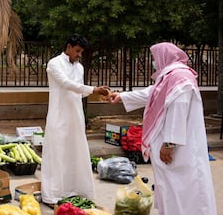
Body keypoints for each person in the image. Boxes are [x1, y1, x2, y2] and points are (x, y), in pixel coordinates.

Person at [109, 42, 217, 215]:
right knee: (171, 189)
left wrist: (169, 144)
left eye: (154, 58)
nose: (154, 62)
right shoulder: (170, 77)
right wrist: (121, 96)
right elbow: (152, 93)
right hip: (172, 148)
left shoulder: (180, 79)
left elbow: (178, 111)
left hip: (179, 149)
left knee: (184, 189)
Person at [41, 34, 109, 206]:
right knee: (57, 154)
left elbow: (80, 90)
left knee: (76, 152)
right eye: (77, 51)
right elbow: (65, 83)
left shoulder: (79, 68)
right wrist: (94, 89)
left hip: (76, 116)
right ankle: (53, 195)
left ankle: (76, 190)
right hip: (58, 115)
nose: (79, 55)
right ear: (69, 47)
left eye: (81, 52)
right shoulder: (54, 63)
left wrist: (97, 93)